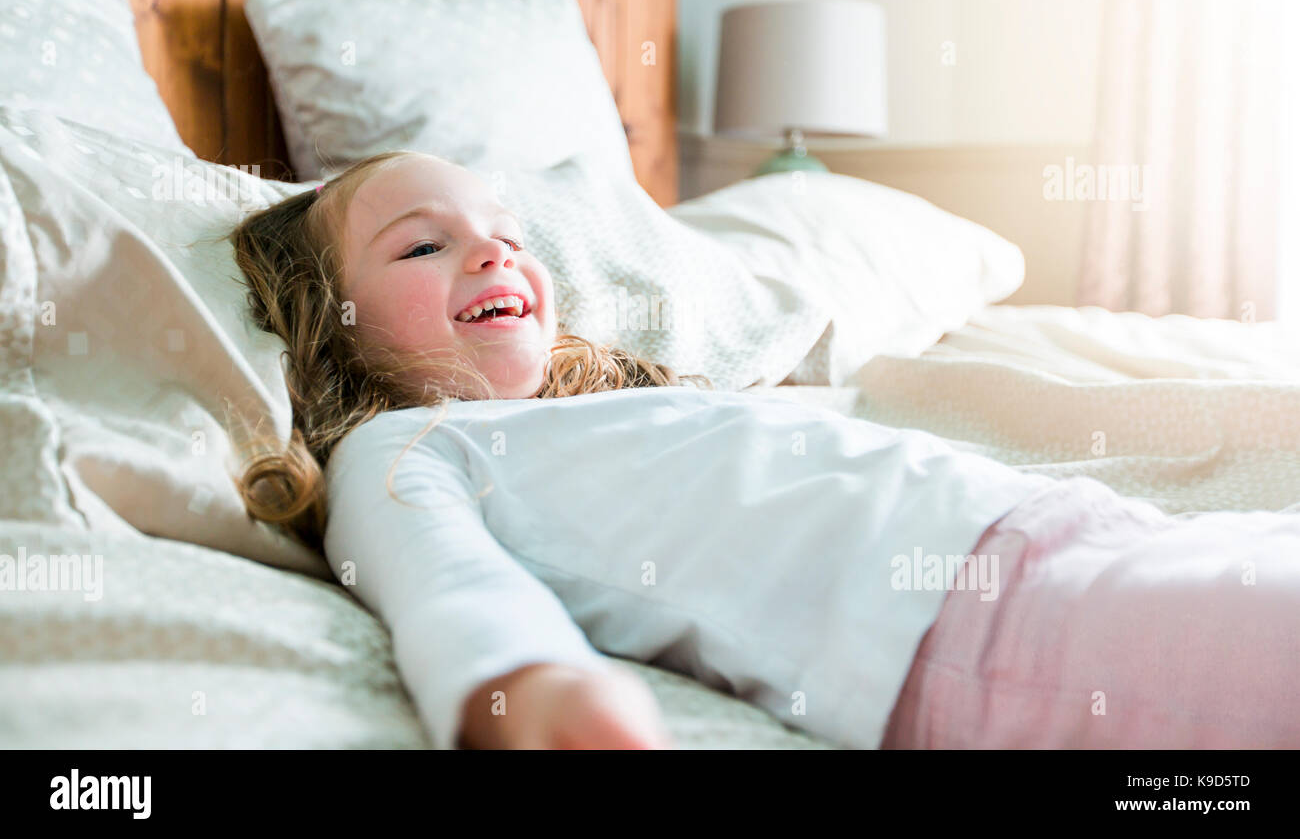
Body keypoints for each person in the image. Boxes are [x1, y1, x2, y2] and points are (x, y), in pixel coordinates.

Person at [225, 150, 1300, 751]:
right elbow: (444, 588)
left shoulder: (624, 405)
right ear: (332, 316)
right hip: (1005, 631)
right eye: (424, 241)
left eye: (503, 229)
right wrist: (534, 691)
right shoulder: (402, 448)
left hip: (1080, 538)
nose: (494, 248)